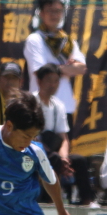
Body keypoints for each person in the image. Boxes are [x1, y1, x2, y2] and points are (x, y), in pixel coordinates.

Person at [33, 63, 94, 206]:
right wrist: (57, 158)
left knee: (78, 160)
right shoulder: (31, 102)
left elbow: (63, 137)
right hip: (33, 150)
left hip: (53, 153)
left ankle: (87, 202)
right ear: (39, 81)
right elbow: (30, 136)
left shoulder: (58, 105)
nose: (53, 85)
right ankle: (49, 201)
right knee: (53, 159)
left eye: (56, 81)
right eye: (49, 80)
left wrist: (64, 158)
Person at [23, 0, 87, 120]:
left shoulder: (68, 41)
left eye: (58, 11)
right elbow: (41, 72)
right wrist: (68, 68)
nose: (54, 15)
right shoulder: (35, 39)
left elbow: (82, 68)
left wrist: (53, 68)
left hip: (66, 107)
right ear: (41, 14)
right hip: (40, 107)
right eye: (50, 11)